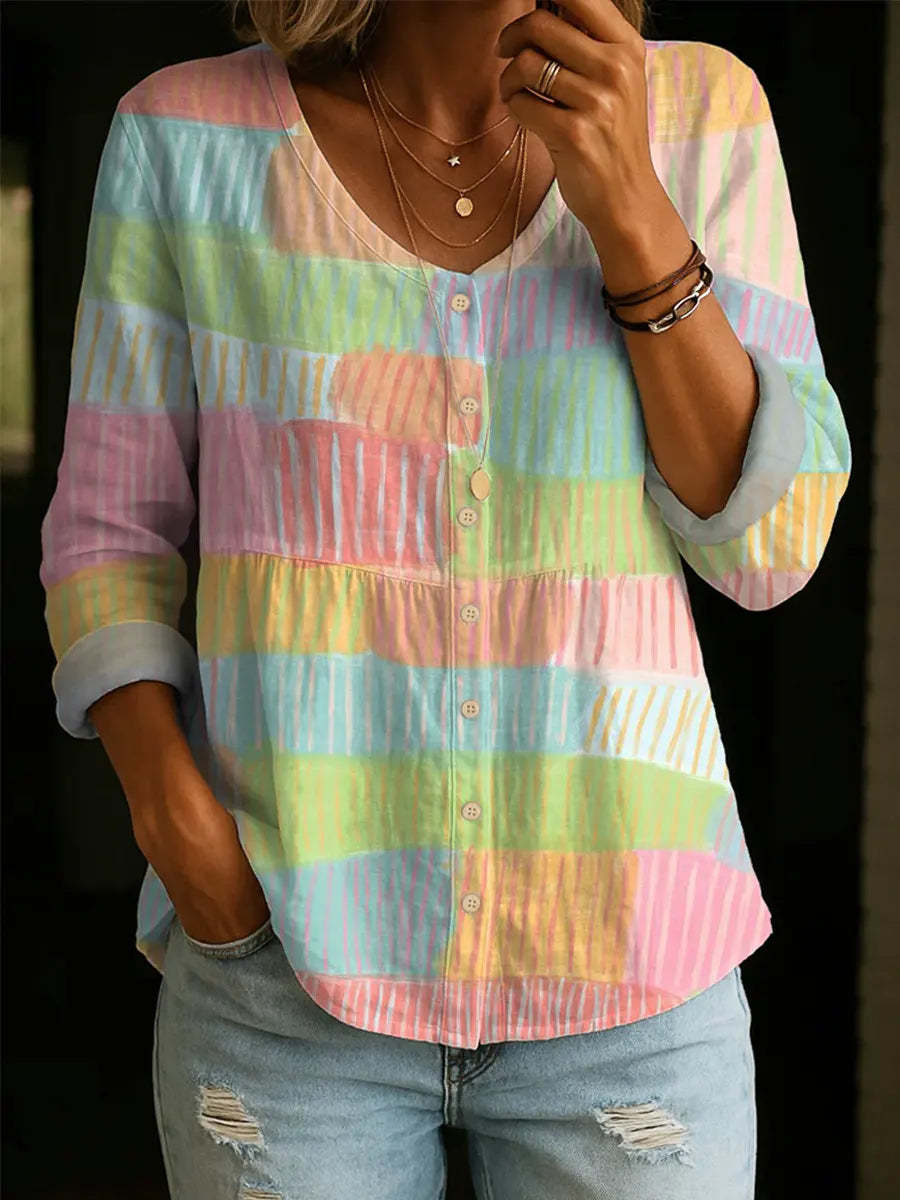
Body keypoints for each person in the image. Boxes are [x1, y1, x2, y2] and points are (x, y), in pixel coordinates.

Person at [38, 1, 852, 1196]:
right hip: (284, 969)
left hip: (636, 978)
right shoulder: (185, 137)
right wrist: (179, 829)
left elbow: (772, 549)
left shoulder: (702, 113)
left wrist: (631, 205)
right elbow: (110, 531)